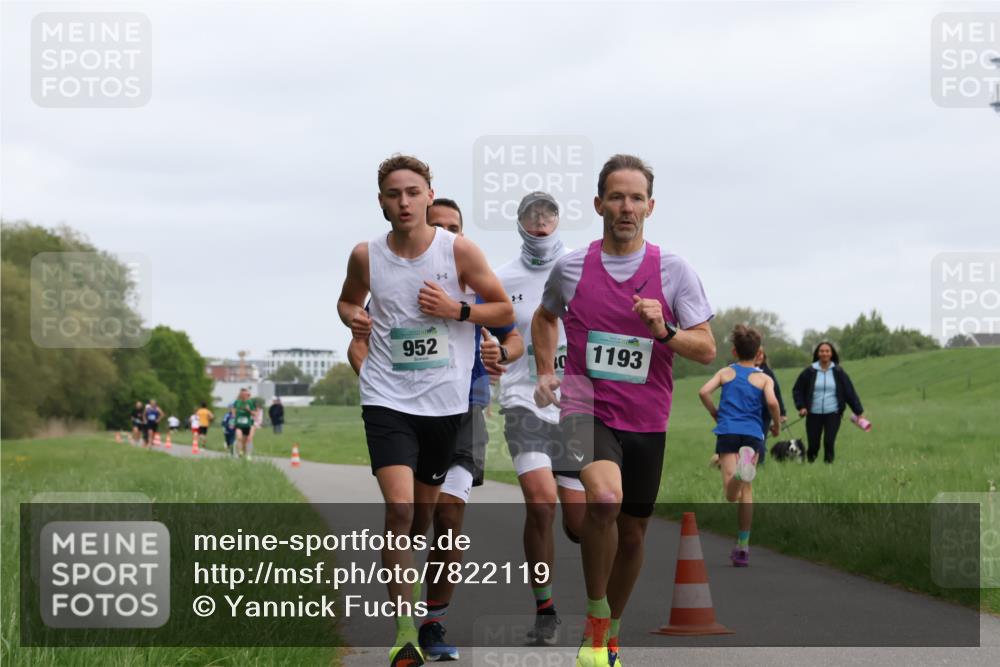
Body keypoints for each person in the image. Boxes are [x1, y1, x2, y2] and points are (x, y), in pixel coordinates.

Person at [532, 154, 715, 667]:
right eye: (616, 196)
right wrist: (547, 371)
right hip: (584, 407)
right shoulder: (570, 267)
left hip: (646, 418)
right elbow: (545, 318)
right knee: (606, 499)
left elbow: (705, 348)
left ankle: (611, 630)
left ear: (651, 207)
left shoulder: (674, 271)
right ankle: (593, 623)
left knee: (634, 531)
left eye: (636, 198)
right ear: (598, 204)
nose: (626, 207)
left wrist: (665, 330)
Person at [336, 155, 514, 667]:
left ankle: (430, 612)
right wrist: (355, 320)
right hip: (387, 398)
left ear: (429, 195)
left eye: (413, 191)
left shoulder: (457, 251)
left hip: (445, 405)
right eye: (394, 194)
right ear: (381, 202)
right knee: (399, 510)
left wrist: (457, 310)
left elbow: (502, 310)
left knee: (426, 516)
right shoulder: (366, 256)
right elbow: (348, 301)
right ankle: (404, 632)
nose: (404, 202)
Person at [494, 191, 586, 646]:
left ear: (558, 222)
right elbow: (485, 333)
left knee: (580, 522)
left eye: (547, 219)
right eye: (533, 220)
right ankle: (545, 609)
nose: (541, 227)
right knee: (541, 501)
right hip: (523, 398)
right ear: (520, 226)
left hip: (577, 404)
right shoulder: (501, 278)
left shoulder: (582, 266)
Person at [698, 325, 780, 567]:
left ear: (734, 351)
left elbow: (703, 392)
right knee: (747, 492)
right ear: (758, 354)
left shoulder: (726, 373)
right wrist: (775, 425)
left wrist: (716, 414)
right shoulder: (764, 378)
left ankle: (742, 471)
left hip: (728, 433)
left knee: (731, 494)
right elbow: (773, 403)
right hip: (753, 435)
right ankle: (742, 548)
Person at [792, 341, 865, 464]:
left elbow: (849, 392)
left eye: (827, 351)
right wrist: (802, 406)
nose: (824, 353)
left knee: (829, 441)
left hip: (833, 413)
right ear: (817, 354)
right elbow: (797, 390)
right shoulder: (809, 372)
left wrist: (859, 412)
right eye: (822, 351)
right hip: (813, 414)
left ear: (831, 354)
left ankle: (828, 466)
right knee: (814, 444)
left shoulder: (838, 372)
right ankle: (810, 462)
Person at [754, 348, 786, 464]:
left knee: (760, 441)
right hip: (747, 413)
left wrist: (782, 413)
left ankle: (759, 465)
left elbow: (776, 393)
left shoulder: (768, 373)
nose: (759, 356)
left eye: (761, 353)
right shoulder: (744, 371)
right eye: (756, 353)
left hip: (764, 415)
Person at [233, 388, 257, 459]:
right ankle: (240, 452)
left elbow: (254, 414)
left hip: (248, 425)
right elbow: (233, 411)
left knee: (246, 441)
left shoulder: (250, 402)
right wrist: (234, 417)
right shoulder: (237, 402)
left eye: (245, 394)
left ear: (247, 395)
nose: (243, 396)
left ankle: (247, 454)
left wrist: (248, 410)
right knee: (239, 438)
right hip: (239, 425)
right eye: (242, 394)